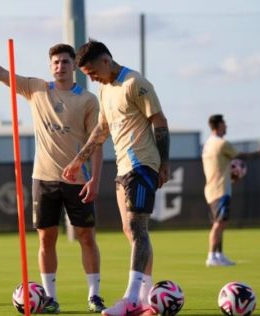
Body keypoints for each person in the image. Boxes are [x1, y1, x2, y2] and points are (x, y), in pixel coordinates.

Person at [0, 44, 106, 313]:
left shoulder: (88, 100)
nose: (60, 67)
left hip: (78, 180)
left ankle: (94, 295)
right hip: (44, 178)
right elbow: (0, 74)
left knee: (87, 237)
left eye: (65, 62)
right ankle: (50, 297)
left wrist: (95, 179)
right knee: (46, 239)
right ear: (50, 65)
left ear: (74, 66)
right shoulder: (36, 89)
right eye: (55, 62)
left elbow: (96, 143)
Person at [62, 40, 170, 316]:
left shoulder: (135, 83)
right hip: (123, 168)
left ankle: (132, 298)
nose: (91, 77)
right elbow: (101, 130)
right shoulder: (104, 89)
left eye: (92, 71)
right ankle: (145, 302)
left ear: (106, 60)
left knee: (137, 228)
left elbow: (159, 122)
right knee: (131, 231)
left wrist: (164, 163)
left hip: (142, 164)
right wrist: (78, 160)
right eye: (86, 75)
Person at [202, 114, 260, 267]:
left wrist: (231, 175)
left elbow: (219, 165)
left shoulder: (208, 144)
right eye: (224, 124)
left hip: (212, 188)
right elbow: (239, 155)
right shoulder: (221, 143)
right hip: (220, 189)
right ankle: (211, 256)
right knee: (219, 223)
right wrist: (258, 153)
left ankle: (218, 255)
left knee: (220, 223)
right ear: (218, 125)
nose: (226, 127)